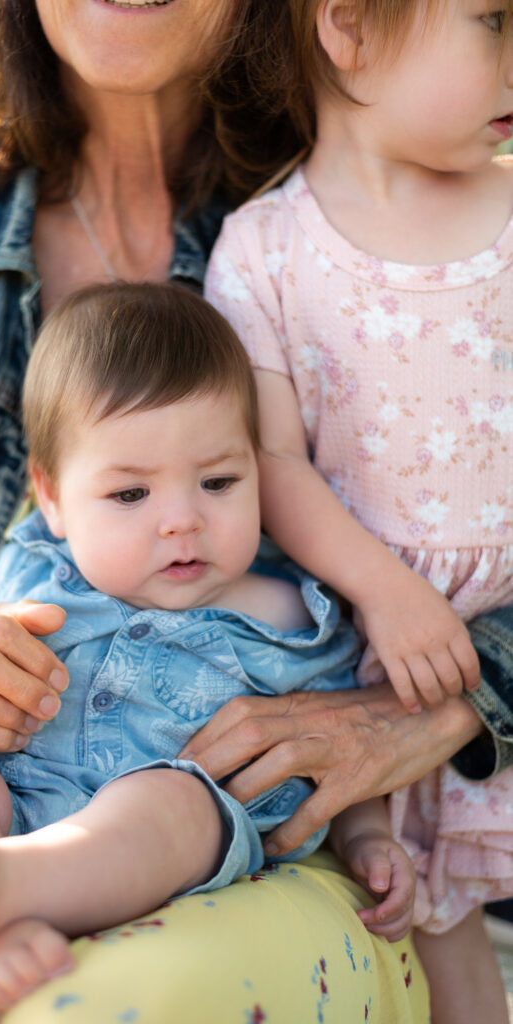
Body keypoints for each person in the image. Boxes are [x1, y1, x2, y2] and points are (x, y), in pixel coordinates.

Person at [0, 0, 504, 1020]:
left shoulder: (349, 212)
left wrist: (424, 715)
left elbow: (471, 551)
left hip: (248, 831)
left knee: (120, 993)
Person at [0, 282, 417, 1020]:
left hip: (153, 829)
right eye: (131, 496)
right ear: (53, 499)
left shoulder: (293, 612)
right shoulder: (33, 568)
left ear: (259, 470)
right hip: (10, 793)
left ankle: (8, 892)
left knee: (184, 803)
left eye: (218, 482)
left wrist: (368, 835)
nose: (182, 521)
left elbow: (347, 750)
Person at [204, 0, 513, 1020]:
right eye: (495, 22)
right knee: (429, 924)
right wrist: (386, 590)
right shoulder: (266, 251)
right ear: (348, 27)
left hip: (496, 658)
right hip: (376, 656)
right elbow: (272, 459)